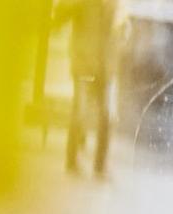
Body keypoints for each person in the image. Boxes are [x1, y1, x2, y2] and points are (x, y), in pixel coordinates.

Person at [59, 0, 115, 178]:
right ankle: (72, 160)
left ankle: (100, 165)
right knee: (80, 112)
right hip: (84, 64)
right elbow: (61, 13)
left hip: (103, 66)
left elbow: (114, 30)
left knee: (106, 114)